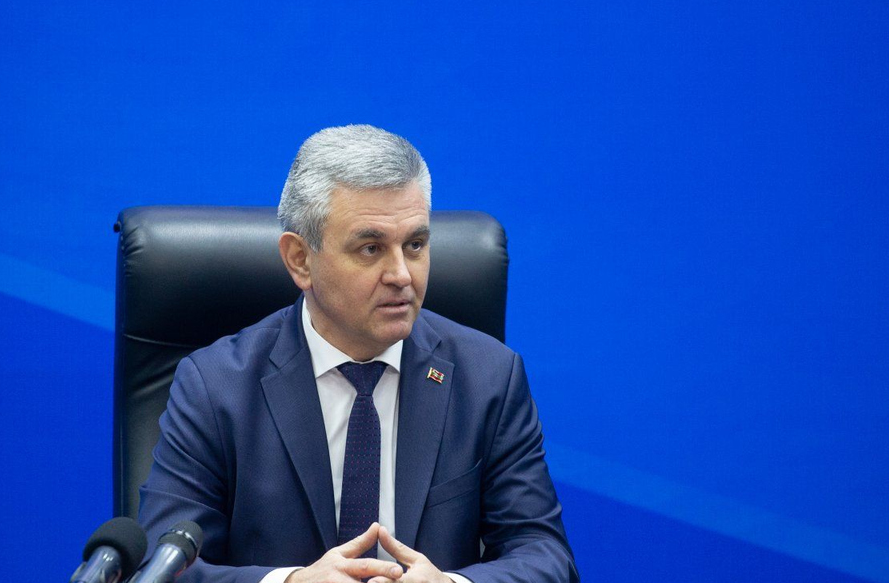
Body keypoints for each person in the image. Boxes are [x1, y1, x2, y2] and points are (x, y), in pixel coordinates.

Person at [138, 125, 577, 583]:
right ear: (300, 260)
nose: (402, 275)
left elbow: (546, 556)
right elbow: (159, 566)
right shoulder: (215, 387)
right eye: (371, 249)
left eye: (415, 245)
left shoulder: (489, 378)